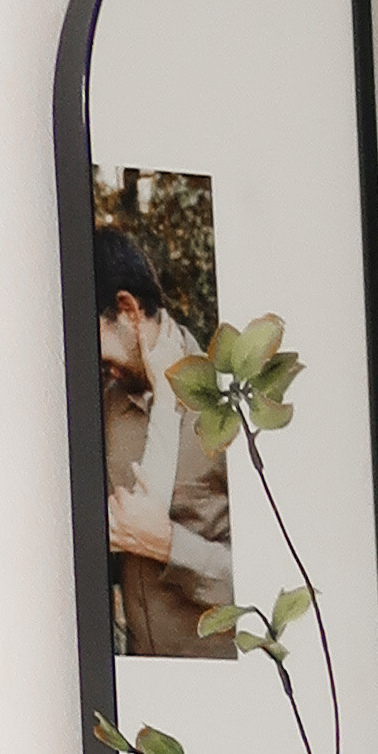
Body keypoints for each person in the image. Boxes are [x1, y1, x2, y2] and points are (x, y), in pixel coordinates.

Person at [93, 220, 234, 658]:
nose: (98, 365)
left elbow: (274, 581)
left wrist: (170, 545)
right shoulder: (106, 407)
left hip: (218, 679)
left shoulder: (228, 404)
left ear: (128, 311)